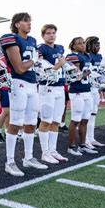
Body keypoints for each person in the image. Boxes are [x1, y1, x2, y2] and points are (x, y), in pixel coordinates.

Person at [0, 13, 46, 177]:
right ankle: (10, 161)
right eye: (25, 21)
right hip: (19, 83)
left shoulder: (32, 41)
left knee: (31, 123)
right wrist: (33, 61)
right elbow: (19, 68)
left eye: (29, 21)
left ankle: (28, 157)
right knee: (15, 123)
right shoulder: (11, 38)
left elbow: (31, 65)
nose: (29, 24)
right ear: (17, 24)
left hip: (33, 84)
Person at [37, 24, 69, 164]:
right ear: (43, 35)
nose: (51, 35)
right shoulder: (41, 49)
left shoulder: (60, 47)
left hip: (59, 87)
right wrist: (58, 65)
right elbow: (43, 71)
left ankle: (53, 150)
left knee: (56, 121)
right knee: (46, 120)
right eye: (48, 33)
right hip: (47, 87)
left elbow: (64, 65)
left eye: (53, 32)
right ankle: (45, 152)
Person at [65, 37, 97, 155]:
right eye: (79, 44)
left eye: (83, 43)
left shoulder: (87, 56)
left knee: (85, 119)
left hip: (87, 90)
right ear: (73, 46)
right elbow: (77, 76)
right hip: (77, 91)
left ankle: (83, 145)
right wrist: (88, 73)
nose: (82, 45)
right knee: (76, 119)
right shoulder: (73, 56)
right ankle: (71, 146)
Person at [85, 36, 105, 147]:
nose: (98, 47)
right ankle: (85, 140)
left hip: (96, 88)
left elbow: (101, 70)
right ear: (89, 45)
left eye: (99, 45)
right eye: (96, 45)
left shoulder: (99, 56)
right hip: (88, 88)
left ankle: (91, 138)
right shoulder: (87, 56)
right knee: (87, 115)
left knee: (93, 114)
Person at [0, 55, 10, 143]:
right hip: (4, 87)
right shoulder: (1, 60)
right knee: (5, 111)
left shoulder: (12, 57)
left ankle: (7, 132)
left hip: (11, 87)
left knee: (9, 112)